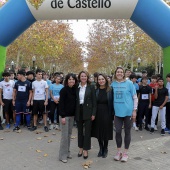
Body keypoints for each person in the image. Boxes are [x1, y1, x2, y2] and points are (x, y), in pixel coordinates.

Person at [111, 67, 138, 162]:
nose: (119, 73)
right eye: (118, 72)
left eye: (121, 72)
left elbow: (135, 97)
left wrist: (134, 110)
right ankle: (119, 152)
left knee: (127, 132)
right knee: (118, 131)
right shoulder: (112, 84)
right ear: (115, 73)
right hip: (117, 113)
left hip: (128, 112)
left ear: (124, 74)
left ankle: (125, 153)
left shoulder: (129, 83)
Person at [75, 71, 97, 159]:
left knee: (87, 132)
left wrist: (93, 113)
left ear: (87, 77)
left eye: (85, 76)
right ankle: (80, 148)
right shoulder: (76, 87)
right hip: (78, 110)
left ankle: (85, 150)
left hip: (88, 111)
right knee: (80, 131)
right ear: (79, 77)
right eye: (82, 76)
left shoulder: (91, 87)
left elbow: (94, 101)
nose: (83, 77)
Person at [91, 73, 114, 158]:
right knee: (98, 131)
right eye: (99, 79)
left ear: (106, 80)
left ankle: (105, 148)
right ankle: (101, 148)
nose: (101, 81)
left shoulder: (110, 90)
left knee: (106, 131)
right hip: (97, 113)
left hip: (107, 112)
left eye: (102, 79)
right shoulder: (95, 90)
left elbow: (113, 102)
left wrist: (113, 114)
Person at [59, 73, 77, 163]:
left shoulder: (75, 90)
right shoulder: (63, 90)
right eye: (69, 79)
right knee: (64, 136)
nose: (71, 81)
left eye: (73, 79)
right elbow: (61, 104)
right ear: (67, 81)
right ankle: (62, 155)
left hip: (72, 116)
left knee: (69, 135)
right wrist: (62, 116)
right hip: (64, 116)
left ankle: (67, 152)